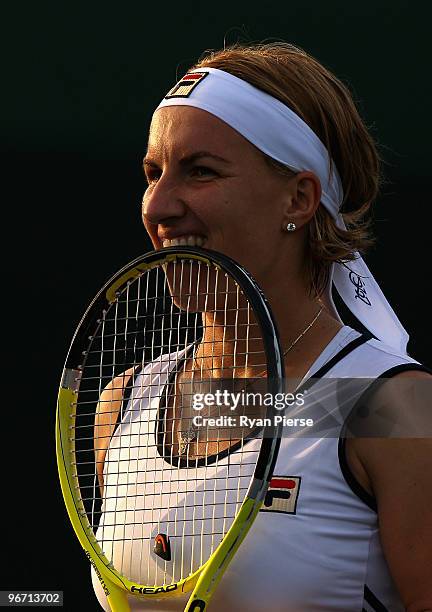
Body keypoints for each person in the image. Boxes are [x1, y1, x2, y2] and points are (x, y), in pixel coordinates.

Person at [92, 42, 432, 611]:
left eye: (200, 171)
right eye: (154, 173)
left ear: (298, 199)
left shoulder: (399, 413)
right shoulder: (123, 402)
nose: (159, 206)